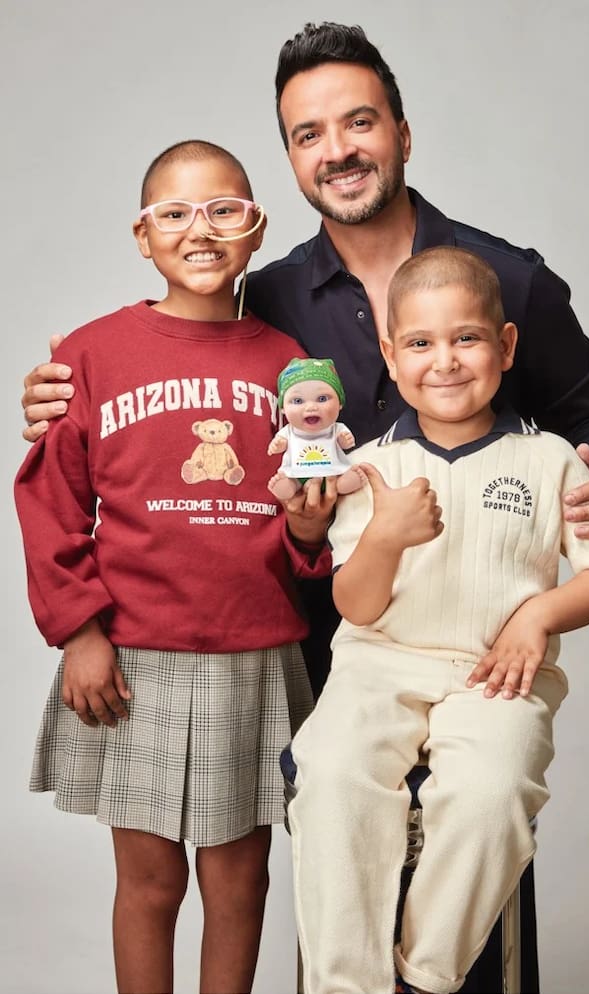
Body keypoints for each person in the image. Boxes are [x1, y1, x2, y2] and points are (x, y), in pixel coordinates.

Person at [18, 21, 589, 994]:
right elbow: (146, 395)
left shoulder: (503, 275)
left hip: (475, 638)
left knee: (473, 831)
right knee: (330, 852)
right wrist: (53, 393)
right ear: (291, 158)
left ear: (398, 128)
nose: (337, 147)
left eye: (357, 121)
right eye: (308, 133)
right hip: (332, 643)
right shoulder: (268, 299)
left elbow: (585, 415)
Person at [13, 139, 337, 994]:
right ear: (143, 235)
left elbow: (302, 520)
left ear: (257, 228)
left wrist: (309, 534)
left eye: (224, 209)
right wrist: (79, 633)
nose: (202, 230)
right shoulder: (90, 353)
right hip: (133, 656)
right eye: (176, 214)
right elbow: (48, 501)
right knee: (152, 883)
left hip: (255, 650)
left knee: (240, 877)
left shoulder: (290, 363)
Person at [287, 246, 589, 994]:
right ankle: (347, 983)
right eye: (419, 343)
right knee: (333, 775)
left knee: (494, 789)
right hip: (376, 668)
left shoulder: (552, 461)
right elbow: (354, 605)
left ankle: (428, 973)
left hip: (495, 676)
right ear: (389, 353)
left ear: (506, 346)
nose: (444, 362)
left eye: (467, 338)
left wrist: (540, 612)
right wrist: (383, 534)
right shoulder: (371, 469)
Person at [267, 356, 365, 499]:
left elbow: (345, 445)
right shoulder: (288, 431)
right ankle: (289, 486)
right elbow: (281, 445)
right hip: (298, 474)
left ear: (340, 403)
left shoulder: (336, 428)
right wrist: (278, 445)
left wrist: (344, 439)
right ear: (283, 408)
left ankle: (343, 484)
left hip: (332, 472)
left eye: (322, 399)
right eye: (298, 401)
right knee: (289, 482)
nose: (311, 407)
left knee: (341, 480)